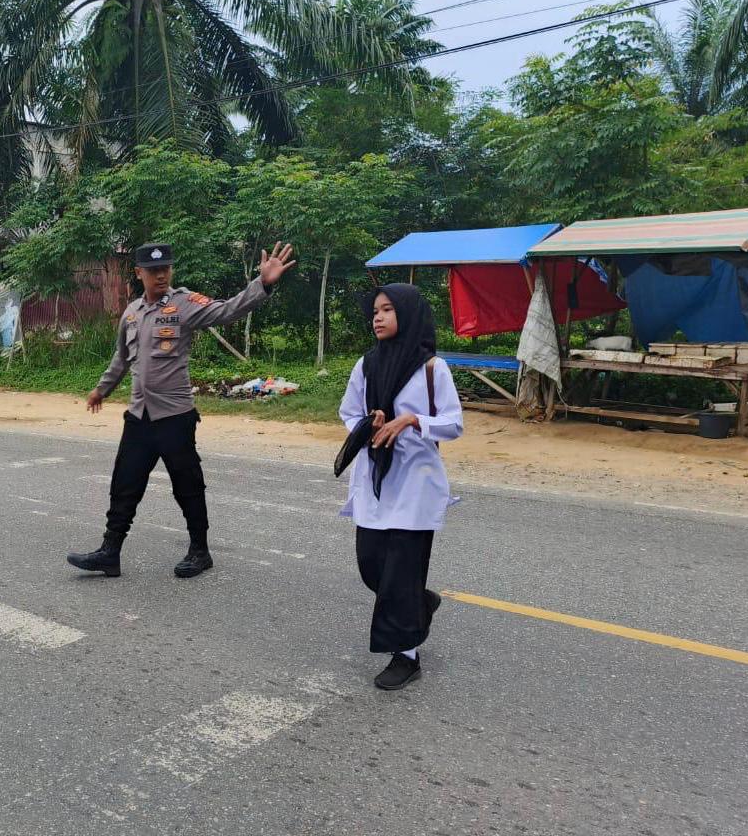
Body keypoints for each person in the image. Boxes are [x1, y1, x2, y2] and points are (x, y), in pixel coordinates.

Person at [67, 241, 295, 579]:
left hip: (174, 416)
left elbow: (226, 310)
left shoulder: (184, 304)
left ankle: (200, 551)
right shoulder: (131, 313)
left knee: (187, 485)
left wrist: (262, 284)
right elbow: (121, 358)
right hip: (139, 416)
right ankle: (109, 551)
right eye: (153, 270)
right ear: (139, 273)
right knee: (124, 483)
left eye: (166, 269)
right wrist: (102, 388)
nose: (160, 275)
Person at [336, 283, 463, 690]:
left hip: (415, 483)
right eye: (375, 310)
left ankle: (406, 655)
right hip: (376, 477)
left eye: (387, 310)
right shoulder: (367, 365)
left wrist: (411, 420)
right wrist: (367, 424)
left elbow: (454, 422)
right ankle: (421, 602)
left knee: (400, 572)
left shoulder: (431, 368)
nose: (377, 317)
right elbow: (348, 411)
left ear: (407, 315)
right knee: (371, 565)